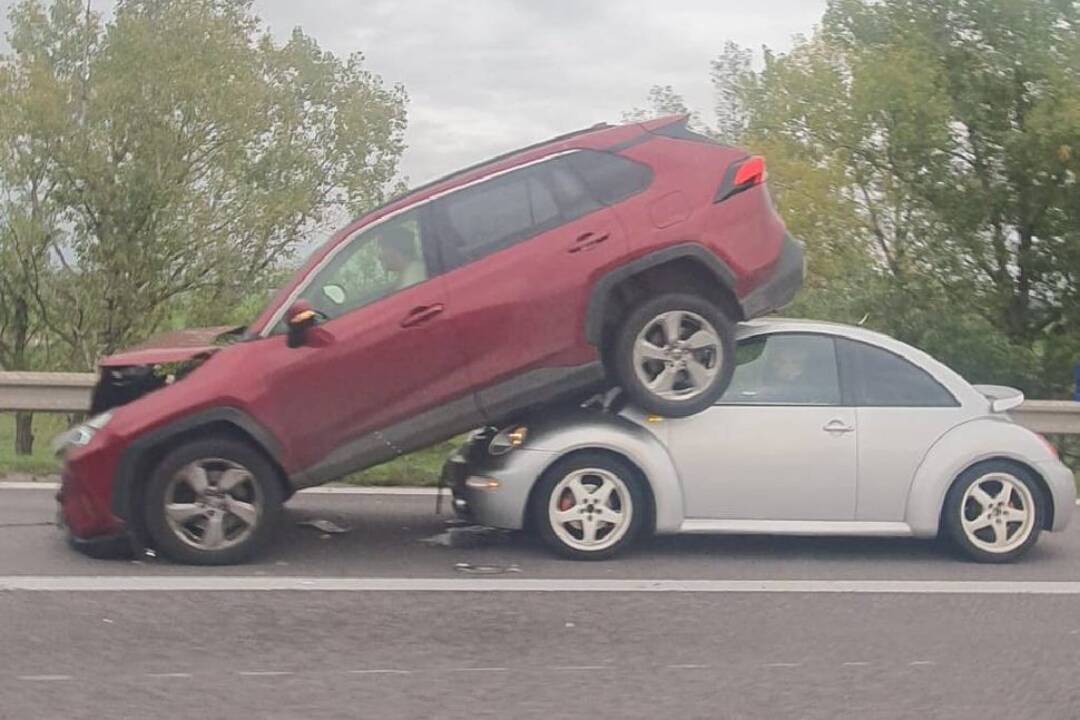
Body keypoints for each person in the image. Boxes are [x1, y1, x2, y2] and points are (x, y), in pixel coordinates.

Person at [377, 224, 426, 290]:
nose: (380, 257)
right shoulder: (409, 272)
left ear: (395, 250)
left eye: (384, 248)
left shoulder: (412, 279)